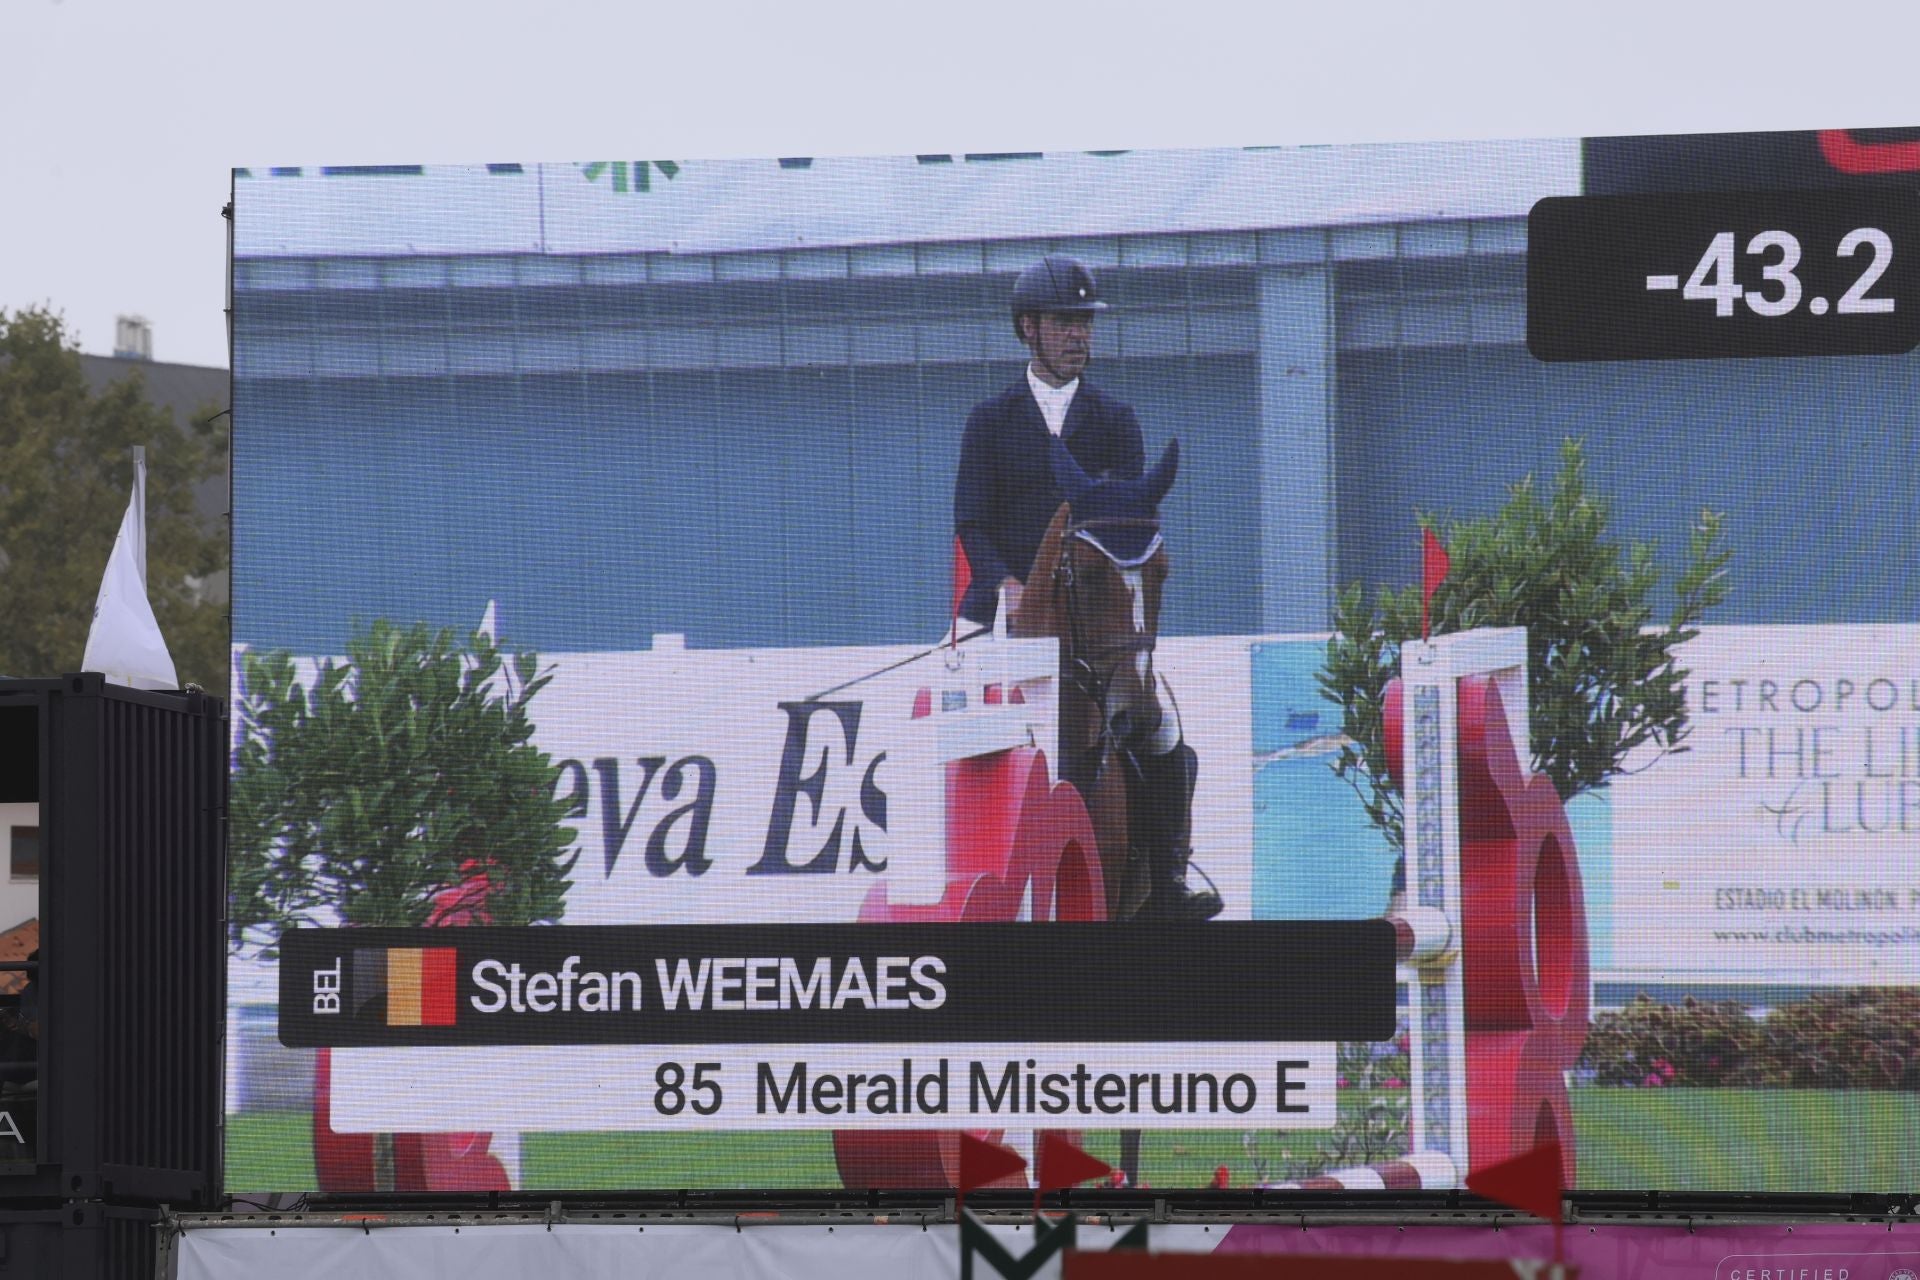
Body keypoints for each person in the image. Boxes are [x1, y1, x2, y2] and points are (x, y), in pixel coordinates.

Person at [953, 256, 1221, 922]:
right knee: (947, 722)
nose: (1077, 335)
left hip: (1090, 625)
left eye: (1084, 323)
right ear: (1029, 330)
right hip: (999, 614)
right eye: (1063, 323)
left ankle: (1168, 883)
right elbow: (970, 520)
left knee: (1162, 733)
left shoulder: (1114, 420)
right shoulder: (990, 420)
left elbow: (1127, 526)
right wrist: (1007, 584)